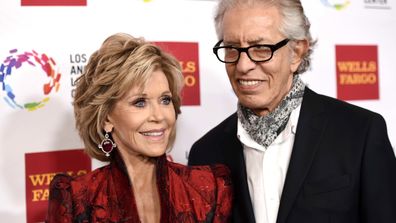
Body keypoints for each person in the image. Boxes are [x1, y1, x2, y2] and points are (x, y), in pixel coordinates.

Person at [188, 0, 396, 222]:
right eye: (231, 49)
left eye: (260, 48)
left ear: (296, 53)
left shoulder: (359, 133)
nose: (242, 65)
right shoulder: (205, 153)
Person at [46, 33, 232, 223]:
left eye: (165, 100)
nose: (159, 116)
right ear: (106, 119)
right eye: (140, 103)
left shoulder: (210, 189)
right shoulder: (76, 199)